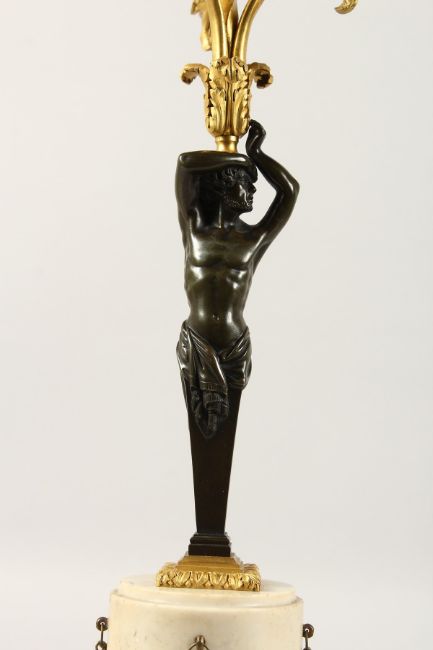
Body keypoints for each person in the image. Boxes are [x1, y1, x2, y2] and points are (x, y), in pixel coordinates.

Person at [175, 120, 300, 556]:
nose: (252, 192)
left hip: (231, 349)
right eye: (245, 184)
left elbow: (289, 192)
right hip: (197, 347)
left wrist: (256, 156)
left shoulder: (253, 238)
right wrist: (231, 153)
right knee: (203, 435)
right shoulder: (194, 229)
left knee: (221, 438)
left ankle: (213, 535)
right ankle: (206, 535)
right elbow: (184, 166)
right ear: (224, 188)